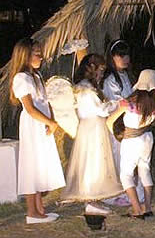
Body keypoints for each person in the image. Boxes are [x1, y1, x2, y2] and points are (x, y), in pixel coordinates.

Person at [9, 38, 65, 224]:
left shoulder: (37, 76)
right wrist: (50, 122)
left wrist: (51, 120)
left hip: (42, 124)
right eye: (36, 53)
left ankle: (40, 209)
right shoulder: (21, 78)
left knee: (40, 165)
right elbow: (30, 108)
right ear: (25, 56)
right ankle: (32, 212)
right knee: (31, 166)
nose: (40, 56)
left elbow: (44, 103)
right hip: (33, 125)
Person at [61, 54, 122, 215]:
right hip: (91, 128)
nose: (102, 74)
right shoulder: (85, 88)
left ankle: (95, 198)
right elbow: (100, 109)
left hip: (95, 127)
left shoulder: (90, 87)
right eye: (100, 70)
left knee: (97, 163)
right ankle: (90, 198)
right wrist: (115, 104)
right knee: (91, 164)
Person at [109, 69, 155, 219]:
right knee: (145, 170)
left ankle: (136, 209)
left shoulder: (129, 104)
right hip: (147, 138)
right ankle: (147, 207)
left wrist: (117, 135)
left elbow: (110, 121)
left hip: (131, 141)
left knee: (126, 174)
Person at [102, 39, 143, 206]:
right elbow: (116, 102)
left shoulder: (128, 75)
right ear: (112, 57)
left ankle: (131, 190)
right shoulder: (110, 79)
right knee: (120, 158)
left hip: (131, 122)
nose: (125, 58)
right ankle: (120, 191)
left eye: (127, 55)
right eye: (121, 55)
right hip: (118, 124)